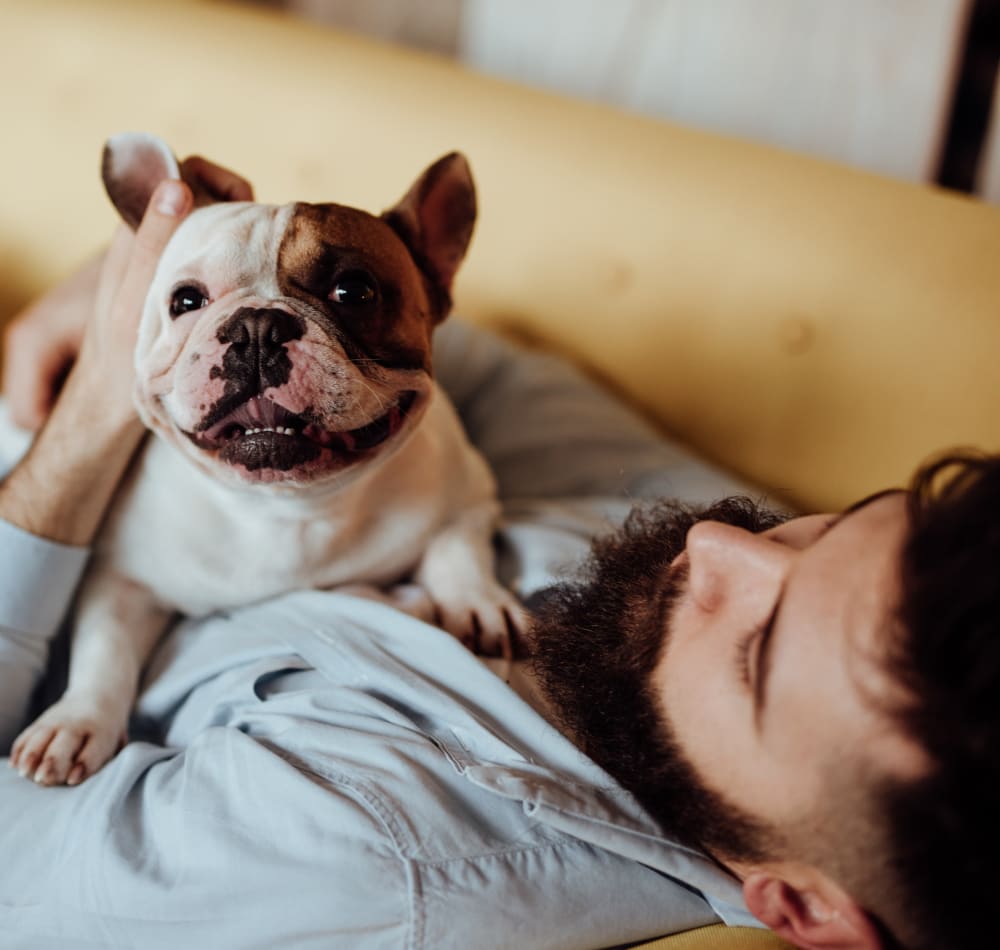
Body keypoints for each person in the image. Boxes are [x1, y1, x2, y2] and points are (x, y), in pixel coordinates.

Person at [0, 166, 994, 950]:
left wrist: (86, 421)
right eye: (814, 526)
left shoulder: (370, 846)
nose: (716, 540)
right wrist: (158, 296)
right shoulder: (725, 572)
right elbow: (460, 359)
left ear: (802, 908)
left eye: (755, 650)